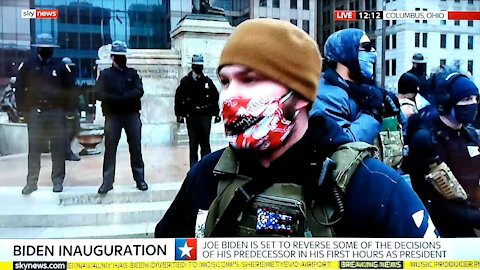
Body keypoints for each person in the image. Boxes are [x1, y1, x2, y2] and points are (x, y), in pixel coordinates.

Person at [155, 19, 437, 238]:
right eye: (226, 82)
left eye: (250, 80)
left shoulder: (374, 186)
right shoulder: (207, 175)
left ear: (300, 94)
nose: (229, 96)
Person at [403, 66, 480, 237]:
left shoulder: (470, 135)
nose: (473, 103)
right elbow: (440, 201)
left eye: (476, 98)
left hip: (470, 225)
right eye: (466, 99)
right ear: (446, 103)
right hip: (441, 232)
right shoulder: (426, 140)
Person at [309, 29, 399, 145]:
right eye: (366, 47)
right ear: (347, 52)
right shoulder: (326, 95)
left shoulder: (366, 90)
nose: (373, 52)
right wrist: (372, 113)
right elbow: (344, 146)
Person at [15, 33, 74, 194]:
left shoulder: (61, 65)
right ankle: (32, 182)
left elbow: (70, 89)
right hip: (36, 112)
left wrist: (69, 111)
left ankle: (57, 181)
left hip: (56, 112)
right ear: (38, 48)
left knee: (58, 148)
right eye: (43, 48)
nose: (46, 50)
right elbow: (19, 88)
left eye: (49, 48)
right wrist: (22, 111)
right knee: (34, 148)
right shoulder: (28, 65)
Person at [95, 41, 148, 194]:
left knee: (136, 148)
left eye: (122, 56)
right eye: (118, 56)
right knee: (110, 149)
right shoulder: (105, 74)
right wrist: (118, 99)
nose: (121, 58)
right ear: (112, 57)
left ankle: (140, 179)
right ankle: (107, 182)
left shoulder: (132, 73)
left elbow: (139, 91)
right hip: (113, 116)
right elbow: (98, 93)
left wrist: (121, 97)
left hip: (131, 115)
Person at [174, 54, 221, 168]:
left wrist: (216, 114)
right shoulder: (185, 82)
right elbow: (179, 98)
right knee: (193, 145)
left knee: (205, 144)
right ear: (192, 66)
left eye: (200, 65)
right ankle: (194, 170)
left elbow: (215, 97)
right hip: (192, 117)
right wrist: (179, 114)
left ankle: (206, 169)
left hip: (205, 116)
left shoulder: (207, 82)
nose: (198, 67)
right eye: (196, 65)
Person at [61, 57, 81, 161]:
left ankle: (66, 150)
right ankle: (66, 152)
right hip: (66, 109)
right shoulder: (61, 79)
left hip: (73, 108)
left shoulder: (72, 78)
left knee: (75, 129)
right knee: (67, 131)